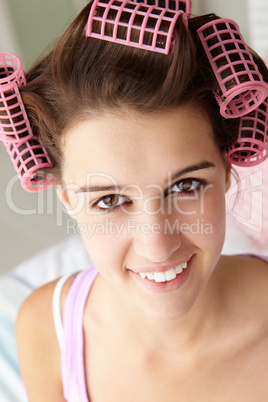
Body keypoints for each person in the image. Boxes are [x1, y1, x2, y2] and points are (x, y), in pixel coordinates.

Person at [9, 0, 268, 400]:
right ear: (66, 200)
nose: (158, 245)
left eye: (186, 186)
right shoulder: (48, 329)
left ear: (228, 169)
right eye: (110, 200)